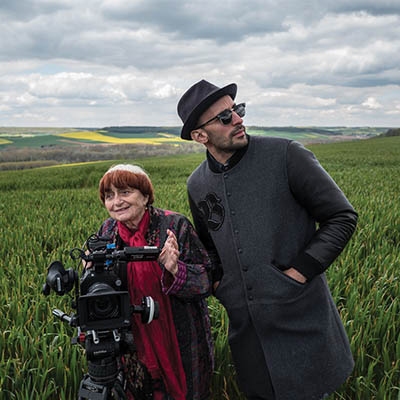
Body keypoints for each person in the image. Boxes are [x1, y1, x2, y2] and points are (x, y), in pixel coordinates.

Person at [176, 80, 358, 400]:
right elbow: (209, 249)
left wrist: (299, 272)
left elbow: (341, 216)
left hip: (301, 318)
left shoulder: (287, 154)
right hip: (248, 336)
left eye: (237, 110)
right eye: (224, 117)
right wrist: (222, 286)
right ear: (200, 136)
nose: (238, 119)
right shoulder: (197, 185)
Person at [95, 164, 213, 400]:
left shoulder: (174, 226)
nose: (116, 201)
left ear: (145, 195)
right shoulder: (107, 232)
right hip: (132, 336)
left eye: (125, 192)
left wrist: (175, 269)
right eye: (109, 196)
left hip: (177, 333)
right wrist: (93, 274)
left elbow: (206, 280)